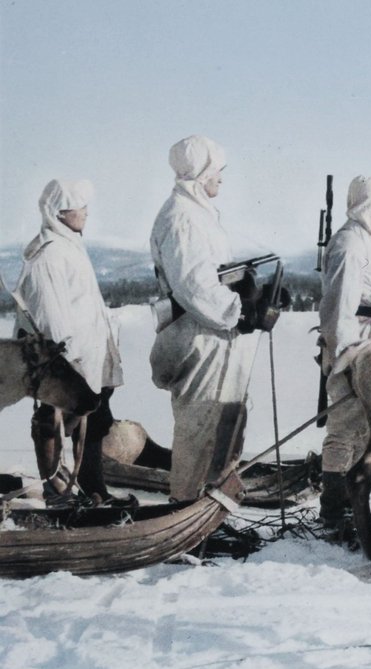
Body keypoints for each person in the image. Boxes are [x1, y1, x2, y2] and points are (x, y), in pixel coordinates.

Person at [149, 135, 266, 502]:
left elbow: (210, 275)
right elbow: (193, 286)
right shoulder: (182, 217)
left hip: (215, 334)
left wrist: (248, 289)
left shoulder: (197, 212)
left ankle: (212, 513)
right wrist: (240, 310)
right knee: (199, 427)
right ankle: (184, 511)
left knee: (226, 424)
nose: (222, 178)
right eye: (217, 170)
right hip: (198, 336)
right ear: (201, 172)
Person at [14, 179, 127, 506]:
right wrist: (70, 368)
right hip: (68, 363)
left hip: (88, 359)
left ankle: (94, 491)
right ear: (60, 212)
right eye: (81, 206)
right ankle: (59, 497)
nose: (87, 213)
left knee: (92, 425)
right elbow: (52, 320)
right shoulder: (48, 255)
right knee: (53, 423)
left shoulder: (68, 246)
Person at [316, 175, 371, 536]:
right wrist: (345, 358)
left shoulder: (366, 241)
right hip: (356, 346)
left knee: (363, 432)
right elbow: (339, 307)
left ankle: (355, 510)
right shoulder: (349, 245)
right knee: (344, 429)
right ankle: (335, 515)